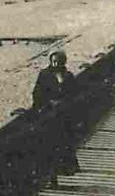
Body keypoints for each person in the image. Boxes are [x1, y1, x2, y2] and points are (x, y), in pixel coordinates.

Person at [32, 50, 82, 186]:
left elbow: (75, 94)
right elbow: (37, 94)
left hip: (63, 117)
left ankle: (61, 173)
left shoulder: (68, 76)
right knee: (49, 148)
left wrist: (65, 103)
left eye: (58, 62)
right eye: (53, 62)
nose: (55, 64)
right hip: (48, 117)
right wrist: (48, 103)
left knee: (62, 146)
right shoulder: (44, 75)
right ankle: (51, 177)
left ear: (63, 62)